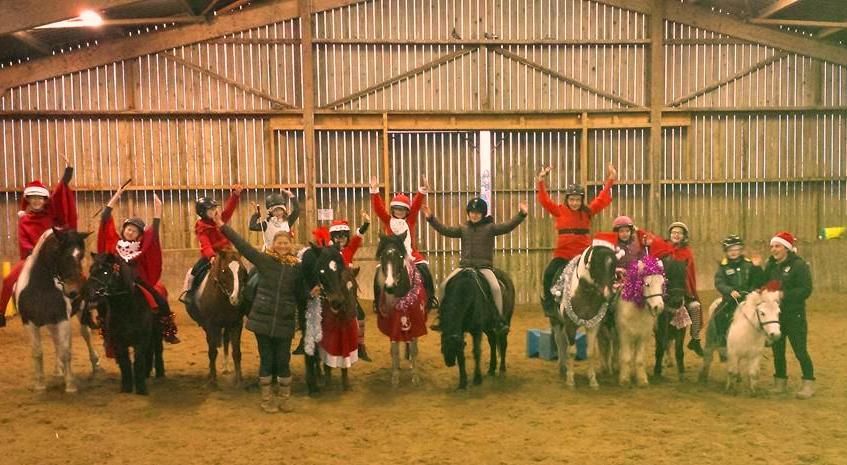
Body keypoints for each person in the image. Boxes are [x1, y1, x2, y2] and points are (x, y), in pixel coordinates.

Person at [216, 211, 310, 413]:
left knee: (283, 361)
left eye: (286, 243)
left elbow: (301, 293)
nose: (282, 246)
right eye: (279, 243)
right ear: (273, 245)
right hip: (263, 321)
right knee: (266, 359)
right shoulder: (264, 262)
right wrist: (223, 226)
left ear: (290, 245)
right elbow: (244, 246)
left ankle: (285, 398)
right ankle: (267, 398)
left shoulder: (297, 269)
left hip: (284, 322)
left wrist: (313, 291)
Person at [1, 155, 77, 328]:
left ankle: (82, 305)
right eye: (32, 198)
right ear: (28, 200)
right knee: (8, 281)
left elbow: (59, 192)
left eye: (39, 198)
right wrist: (32, 253)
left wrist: (68, 173)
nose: (36, 201)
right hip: (31, 257)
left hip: (54, 255)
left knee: (76, 272)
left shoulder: (52, 213)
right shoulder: (24, 220)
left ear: (44, 200)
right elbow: (24, 241)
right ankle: (0, 313)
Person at [97, 186, 179, 344]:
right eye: (128, 229)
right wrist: (117, 195)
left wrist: (158, 210)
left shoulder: (141, 247)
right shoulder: (115, 243)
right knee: (100, 300)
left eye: (134, 231)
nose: (130, 232)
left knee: (160, 299)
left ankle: (168, 331)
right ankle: (106, 332)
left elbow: (153, 232)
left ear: (139, 236)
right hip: (115, 280)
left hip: (137, 280)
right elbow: (105, 217)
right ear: (123, 230)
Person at [423, 197, 528, 319]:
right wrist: (431, 218)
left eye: (478, 213)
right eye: (472, 212)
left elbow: (507, 226)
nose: (474, 215)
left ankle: (498, 319)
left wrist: (521, 214)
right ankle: (443, 317)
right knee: (443, 286)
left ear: (483, 214)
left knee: (495, 289)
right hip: (464, 267)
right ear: (468, 213)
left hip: (484, 268)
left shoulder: (490, 228)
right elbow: (445, 230)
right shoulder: (463, 228)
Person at [537, 164, 617, 320]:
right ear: (567, 200)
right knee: (548, 274)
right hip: (563, 254)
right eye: (572, 200)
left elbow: (602, 199)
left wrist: (611, 179)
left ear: (582, 201)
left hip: (582, 255)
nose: (574, 203)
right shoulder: (559, 210)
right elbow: (544, 200)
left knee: (601, 274)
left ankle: (605, 305)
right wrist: (540, 181)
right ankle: (549, 306)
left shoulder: (588, 212)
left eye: (578, 200)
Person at [369, 176, 437, 310]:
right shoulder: (387, 220)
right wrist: (375, 191)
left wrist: (422, 192)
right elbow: (378, 209)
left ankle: (430, 297)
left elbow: (416, 206)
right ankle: (377, 301)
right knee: (378, 273)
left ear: (407, 211)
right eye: (397, 209)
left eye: (402, 210)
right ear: (393, 210)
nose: (399, 212)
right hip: (391, 255)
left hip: (410, 254)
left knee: (425, 269)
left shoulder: (410, 220)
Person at [762, 231, 815, 399]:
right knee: (778, 350)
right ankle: (780, 382)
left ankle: (808, 383)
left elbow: (805, 290)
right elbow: (764, 284)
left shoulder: (799, 266)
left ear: (786, 248)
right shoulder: (770, 265)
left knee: (800, 350)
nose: (773, 249)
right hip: (775, 317)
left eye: (777, 246)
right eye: (772, 246)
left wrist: (783, 295)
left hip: (794, 315)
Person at [180, 186, 244, 317]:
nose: (215, 211)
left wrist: (235, 196)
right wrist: (211, 256)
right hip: (212, 255)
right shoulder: (201, 226)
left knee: (240, 269)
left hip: (227, 253)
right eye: (211, 209)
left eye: (215, 208)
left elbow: (229, 211)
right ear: (203, 212)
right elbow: (205, 243)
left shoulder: (219, 219)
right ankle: (189, 293)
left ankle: (245, 293)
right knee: (194, 271)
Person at [649, 222, 703, 356]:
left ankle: (695, 338)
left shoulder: (686, 252)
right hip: (663, 290)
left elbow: (689, 275)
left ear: (684, 236)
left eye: (679, 233)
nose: (676, 235)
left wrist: (686, 290)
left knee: (695, 307)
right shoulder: (662, 248)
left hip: (681, 291)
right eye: (674, 232)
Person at [328, 212, 372, 362]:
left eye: (343, 236)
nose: (341, 239)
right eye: (337, 236)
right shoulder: (328, 252)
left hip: (348, 293)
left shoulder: (349, 250)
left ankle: (360, 347)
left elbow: (358, 236)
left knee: (360, 315)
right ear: (332, 238)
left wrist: (366, 223)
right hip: (333, 293)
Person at [710, 234, 763, 350]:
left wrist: (757, 268)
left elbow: (758, 280)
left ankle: (764, 339)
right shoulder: (723, 266)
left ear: (741, 250)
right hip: (731, 299)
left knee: (763, 313)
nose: (734, 252)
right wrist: (730, 291)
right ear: (726, 251)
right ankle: (722, 339)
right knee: (718, 314)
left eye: (736, 249)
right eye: (730, 250)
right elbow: (719, 282)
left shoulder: (749, 264)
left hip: (748, 298)